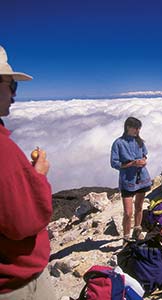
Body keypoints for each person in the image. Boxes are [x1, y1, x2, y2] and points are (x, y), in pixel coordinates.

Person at [0, 45, 56, 299]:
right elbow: (24, 221)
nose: (14, 94)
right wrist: (38, 175)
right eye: (11, 85)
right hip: (15, 284)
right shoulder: (3, 151)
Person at [111, 117, 152, 241]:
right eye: (136, 127)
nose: (138, 130)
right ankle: (126, 237)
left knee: (139, 207)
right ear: (128, 127)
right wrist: (132, 164)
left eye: (139, 128)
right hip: (128, 180)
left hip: (142, 178)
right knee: (128, 212)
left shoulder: (140, 142)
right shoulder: (118, 143)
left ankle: (137, 230)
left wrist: (143, 162)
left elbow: (145, 155)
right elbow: (114, 163)